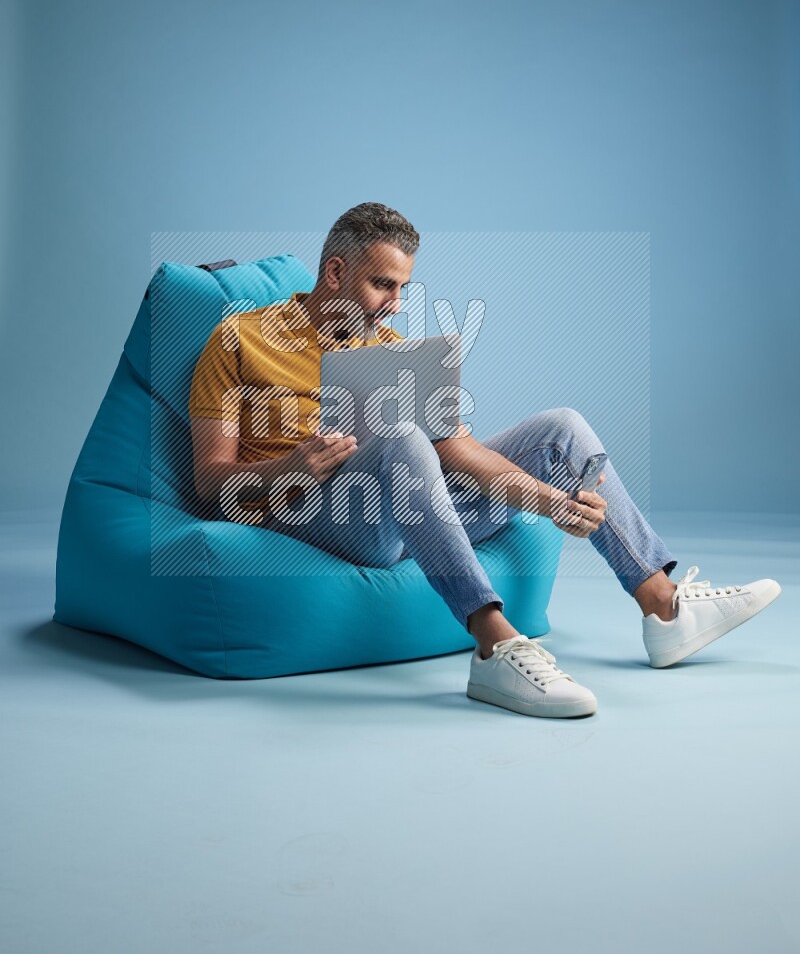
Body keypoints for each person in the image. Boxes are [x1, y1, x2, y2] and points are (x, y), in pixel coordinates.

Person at [188, 202, 781, 719]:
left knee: (560, 430)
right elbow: (210, 482)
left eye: (401, 289)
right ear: (336, 272)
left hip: (413, 511)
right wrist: (294, 465)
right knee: (402, 438)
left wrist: (551, 502)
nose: (395, 305)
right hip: (318, 516)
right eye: (382, 285)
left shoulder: (397, 351)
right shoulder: (240, 339)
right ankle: (494, 646)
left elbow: (459, 452)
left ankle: (663, 606)